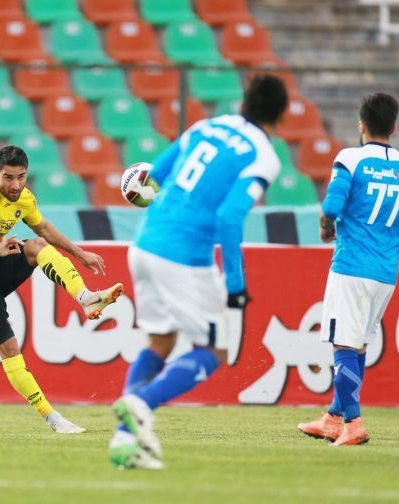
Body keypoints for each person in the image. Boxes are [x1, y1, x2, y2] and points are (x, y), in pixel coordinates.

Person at [109, 75, 289, 469]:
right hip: (184, 254)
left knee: (161, 339)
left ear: (244, 102)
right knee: (214, 350)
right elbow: (230, 216)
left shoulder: (205, 126)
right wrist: (236, 283)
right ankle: (141, 402)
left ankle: (126, 441)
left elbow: (152, 178)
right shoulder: (263, 155)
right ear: (281, 115)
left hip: (144, 243)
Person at [0, 145, 123, 434]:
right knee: (9, 348)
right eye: (8, 178)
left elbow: (45, 229)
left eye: (21, 177)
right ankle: (52, 417)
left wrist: (80, 253)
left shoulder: (24, 198)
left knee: (37, 245)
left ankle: (86, 298)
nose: (15, 185)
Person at [298, 93, 399, 446]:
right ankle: (332, 419)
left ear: (362, 125)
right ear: (394, 127)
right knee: (356, 345)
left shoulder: (350, 159)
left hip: (351, 266)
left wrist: (325, 227)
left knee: (344, 343)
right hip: (385, 273)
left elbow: (331, 206)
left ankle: (353, 424)